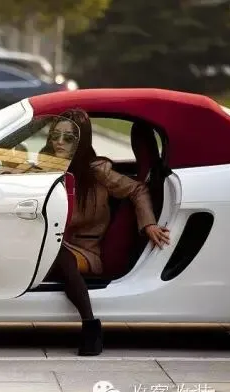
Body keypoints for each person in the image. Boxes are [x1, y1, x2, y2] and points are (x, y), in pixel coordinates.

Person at [42, 109, 171, 356]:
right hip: (46, 243)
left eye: (68, 138)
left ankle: (90, 325)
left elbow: (137, 190)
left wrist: (149, 224)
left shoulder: (97, 171)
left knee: (59, 256)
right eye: (55, 136)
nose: (59, 142)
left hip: (84, 250)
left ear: (81, 141)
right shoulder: (46, 167)